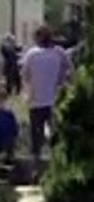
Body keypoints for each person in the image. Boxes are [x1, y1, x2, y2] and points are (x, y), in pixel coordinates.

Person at [21, 25, 73, 169]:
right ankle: (57, 163)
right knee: (55, 132)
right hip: (54, 99)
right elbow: (70, 69)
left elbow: (25, 75)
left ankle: (36, 166)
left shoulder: (32, 54)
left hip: (36, 100)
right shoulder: (59, 53)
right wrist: (62, 80)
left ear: (37, 38)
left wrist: (27, 92)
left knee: (36, 135)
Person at [0, 33, 22, 97]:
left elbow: (18, 49)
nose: (13, 42)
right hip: (9, 65)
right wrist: (16, 53)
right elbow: (9, 53)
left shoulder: (11, 46)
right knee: (10, 79)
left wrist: (19, 49)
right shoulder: (5, 46)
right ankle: (10, 93)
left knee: (17, 79)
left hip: (13, 64)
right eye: (12, 40)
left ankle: (17, 92)